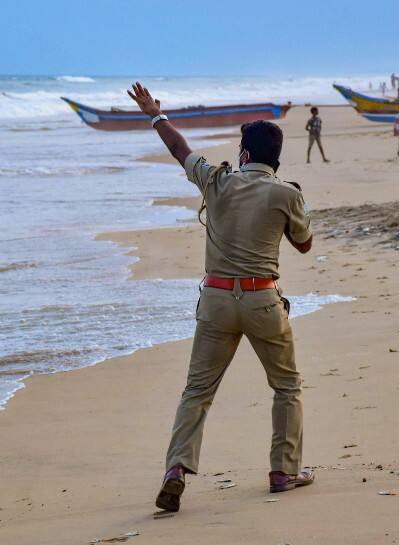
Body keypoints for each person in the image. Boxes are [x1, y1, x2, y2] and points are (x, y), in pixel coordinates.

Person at [125, 82, 315, 513]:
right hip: (262, 300)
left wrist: (154, 113)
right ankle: (283, 471)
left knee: (197, 390)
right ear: (275, 160)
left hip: (214, 300)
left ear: (244, 155)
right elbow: (304, 244)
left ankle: (176, 470)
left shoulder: (216, 180)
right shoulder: (286, 193)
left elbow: (179, 148)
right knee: (286, 385)